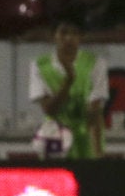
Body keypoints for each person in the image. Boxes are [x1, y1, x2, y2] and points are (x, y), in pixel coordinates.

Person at [29, 16, 108, 159]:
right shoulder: (40, 65)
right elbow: (49, 110)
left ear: (81, 37)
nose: (69, 38)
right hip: (54, 139)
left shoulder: (96, 63)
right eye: (63, 33)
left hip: (85, 140)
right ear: (53, 36)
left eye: (74, 33)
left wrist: (98, 152)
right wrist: (68, 81)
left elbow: (94, 112)